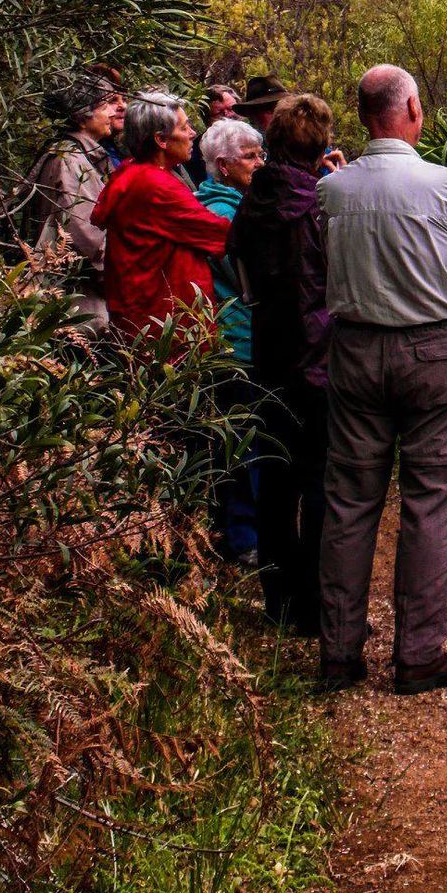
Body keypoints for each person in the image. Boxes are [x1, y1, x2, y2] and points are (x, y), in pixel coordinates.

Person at [315, 64, 447, 694]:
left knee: (349, 499)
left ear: (364, 116)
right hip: (433, 352)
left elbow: (320, 261)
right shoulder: (445, 185)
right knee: (432, 496)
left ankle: (338, 652)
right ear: (412, 108)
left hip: (355, 349)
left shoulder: (332, 192)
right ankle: (418, 653)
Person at [229, 95, 336, 633]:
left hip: (268, 350)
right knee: (317, 481)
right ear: (319, 144)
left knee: (275, 479)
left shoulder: (252, 201)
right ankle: (315, 606)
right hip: (316, 356)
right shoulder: (320, 204)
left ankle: (279, 600)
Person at [90, 91, 232, 341]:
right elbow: (223, 234)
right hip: (164, 329)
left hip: (148, 318)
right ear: (161, 140)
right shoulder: (155, 185)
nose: (191, 134)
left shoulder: (133, 172)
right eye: (185, 127)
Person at [197, 118, 266, 565]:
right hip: (235, 341)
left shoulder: (227, 203)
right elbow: (250, 279)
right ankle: (242, 538)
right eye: (250, 157)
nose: (259, 164)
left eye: (261, 155)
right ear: (222, 166)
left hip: (233, 338)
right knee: (242, 443)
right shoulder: (222, 214)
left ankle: (240, 533)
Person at [13, 70, 126, 335]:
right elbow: (87, 237)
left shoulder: (84, 155)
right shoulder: (69, 160)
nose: (115, 110)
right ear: (82, 114)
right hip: (78, 305)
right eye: (106, 103)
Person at [187, 83, 240, 187]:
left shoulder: (254, 140)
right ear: (206, 119)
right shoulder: (195, 151)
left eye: (231, 109)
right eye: (219, 113)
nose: (227, 116)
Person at [83, 62, 128, 168]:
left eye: (125, 99)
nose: (123, 106)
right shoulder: (81, 153)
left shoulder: (115, 148)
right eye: (112, 100)